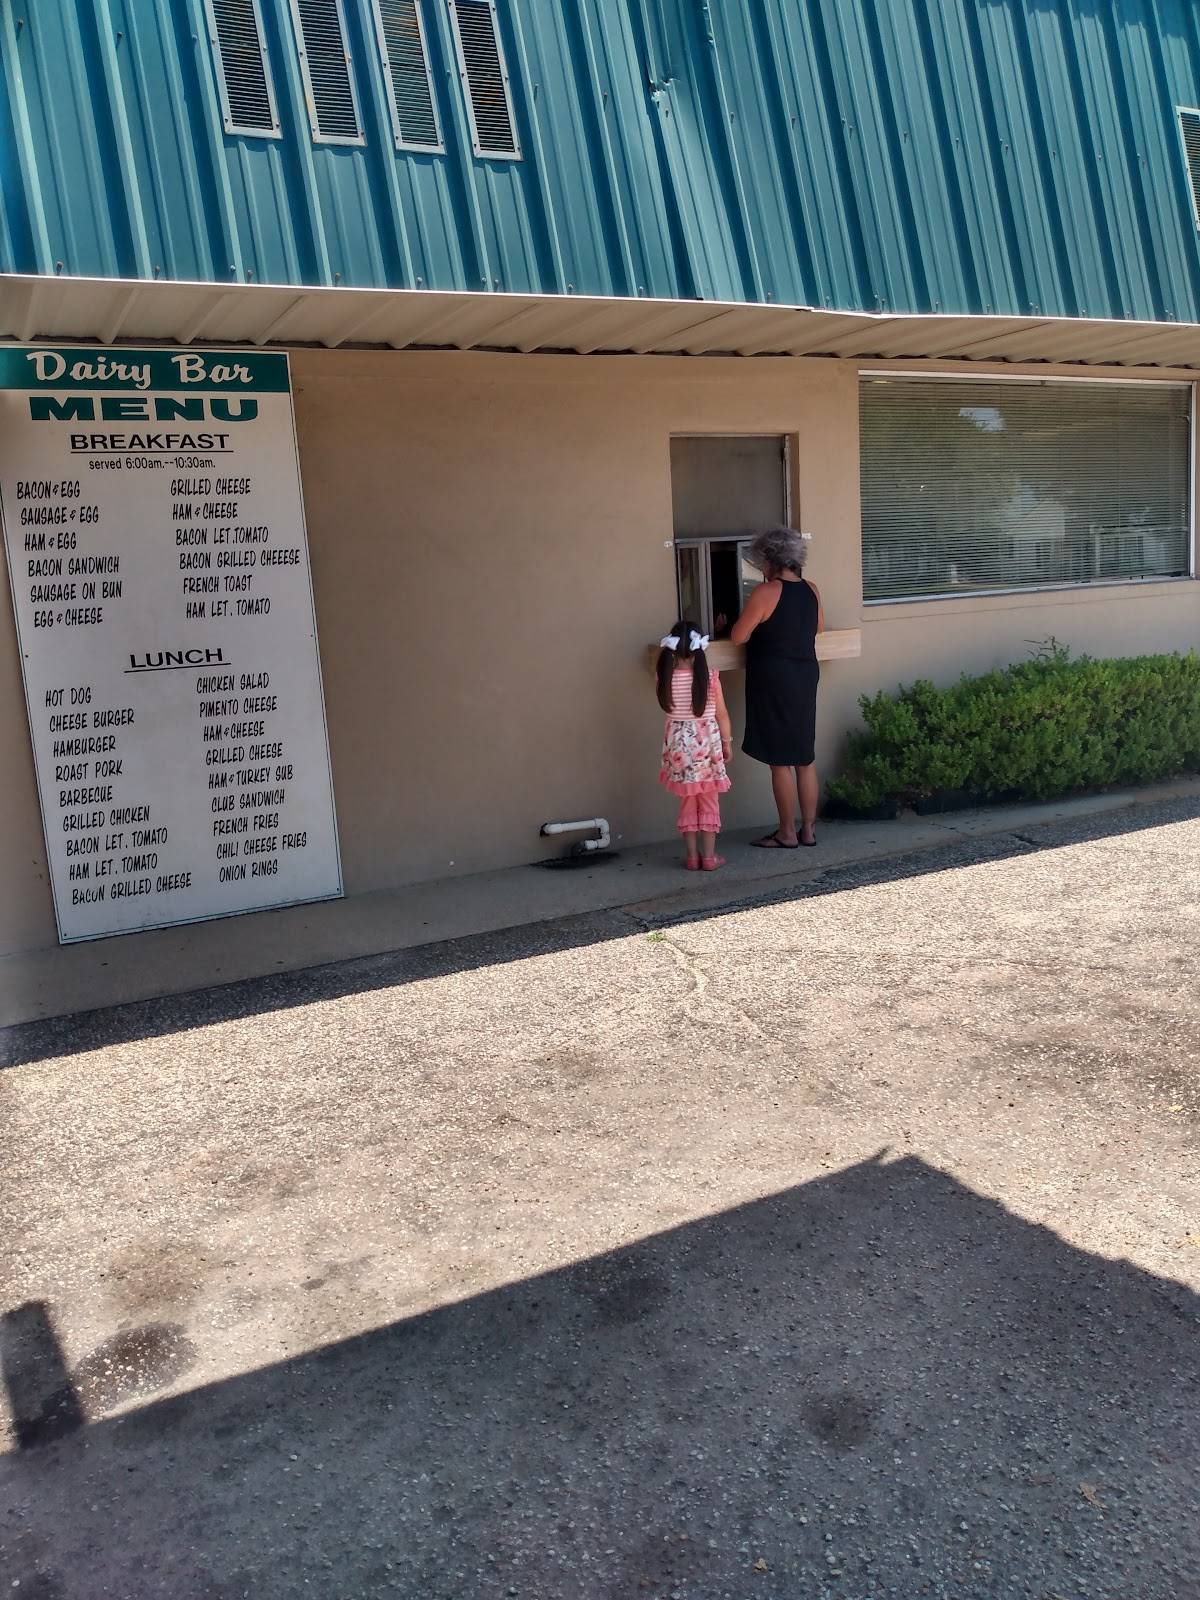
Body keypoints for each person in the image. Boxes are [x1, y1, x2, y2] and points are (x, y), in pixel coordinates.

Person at [731, 525, 823, 848]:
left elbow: (738, 636)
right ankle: (809, 830)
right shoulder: (812, 589)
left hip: (774, 679)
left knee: (780, 759)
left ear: (768, 561)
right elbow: (818, 627)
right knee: (804, 756)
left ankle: (786, 832)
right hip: (805, 677)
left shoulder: (766, 592)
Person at [656, 620, 733, 871]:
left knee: (687, 801)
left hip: (678, 747)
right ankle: (709, 857)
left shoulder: (665, 677)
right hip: (707, 747)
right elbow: (721, 714)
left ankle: (691, 857)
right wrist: (727, 743)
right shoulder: (709, 678)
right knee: (709, 800)